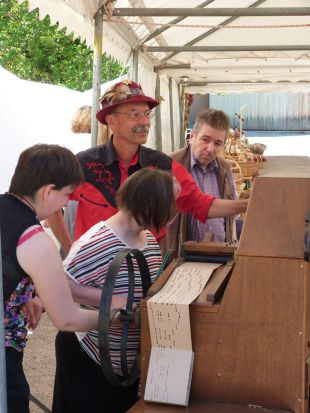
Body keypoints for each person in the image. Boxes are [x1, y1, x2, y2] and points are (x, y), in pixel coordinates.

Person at [46, 79, 248, 256]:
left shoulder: (163, 166)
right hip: (91, 272)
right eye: (135, 114)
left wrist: (248, 204)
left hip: (142, 271)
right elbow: (48, 199)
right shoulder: (85, 164)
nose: (144, 122)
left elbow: (202, 204)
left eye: (146, 114)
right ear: (111, 121)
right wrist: (68, 245)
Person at [52, 168, 176, 413]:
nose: (172, 212)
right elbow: (56, 285)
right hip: (90, 357)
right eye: (168, 204)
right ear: (149, 204)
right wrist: (110, 300)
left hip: (124, 364)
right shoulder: (97, 243)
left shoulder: (148, 240)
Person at [1, 144, 100, 413]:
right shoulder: (35, 239)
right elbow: (66, 318)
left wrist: (26, 293)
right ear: (47, 191)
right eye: (67, 194)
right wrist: (116, 317)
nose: (67, 203)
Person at [167, 109, 242, 249]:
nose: (210, 149)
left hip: (221, 252)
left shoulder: (224, 168)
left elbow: (232, 214)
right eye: (205, 139)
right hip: (181, 254)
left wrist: (233, 243)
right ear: (192, 136)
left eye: (218, 143)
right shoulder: (172, 164)